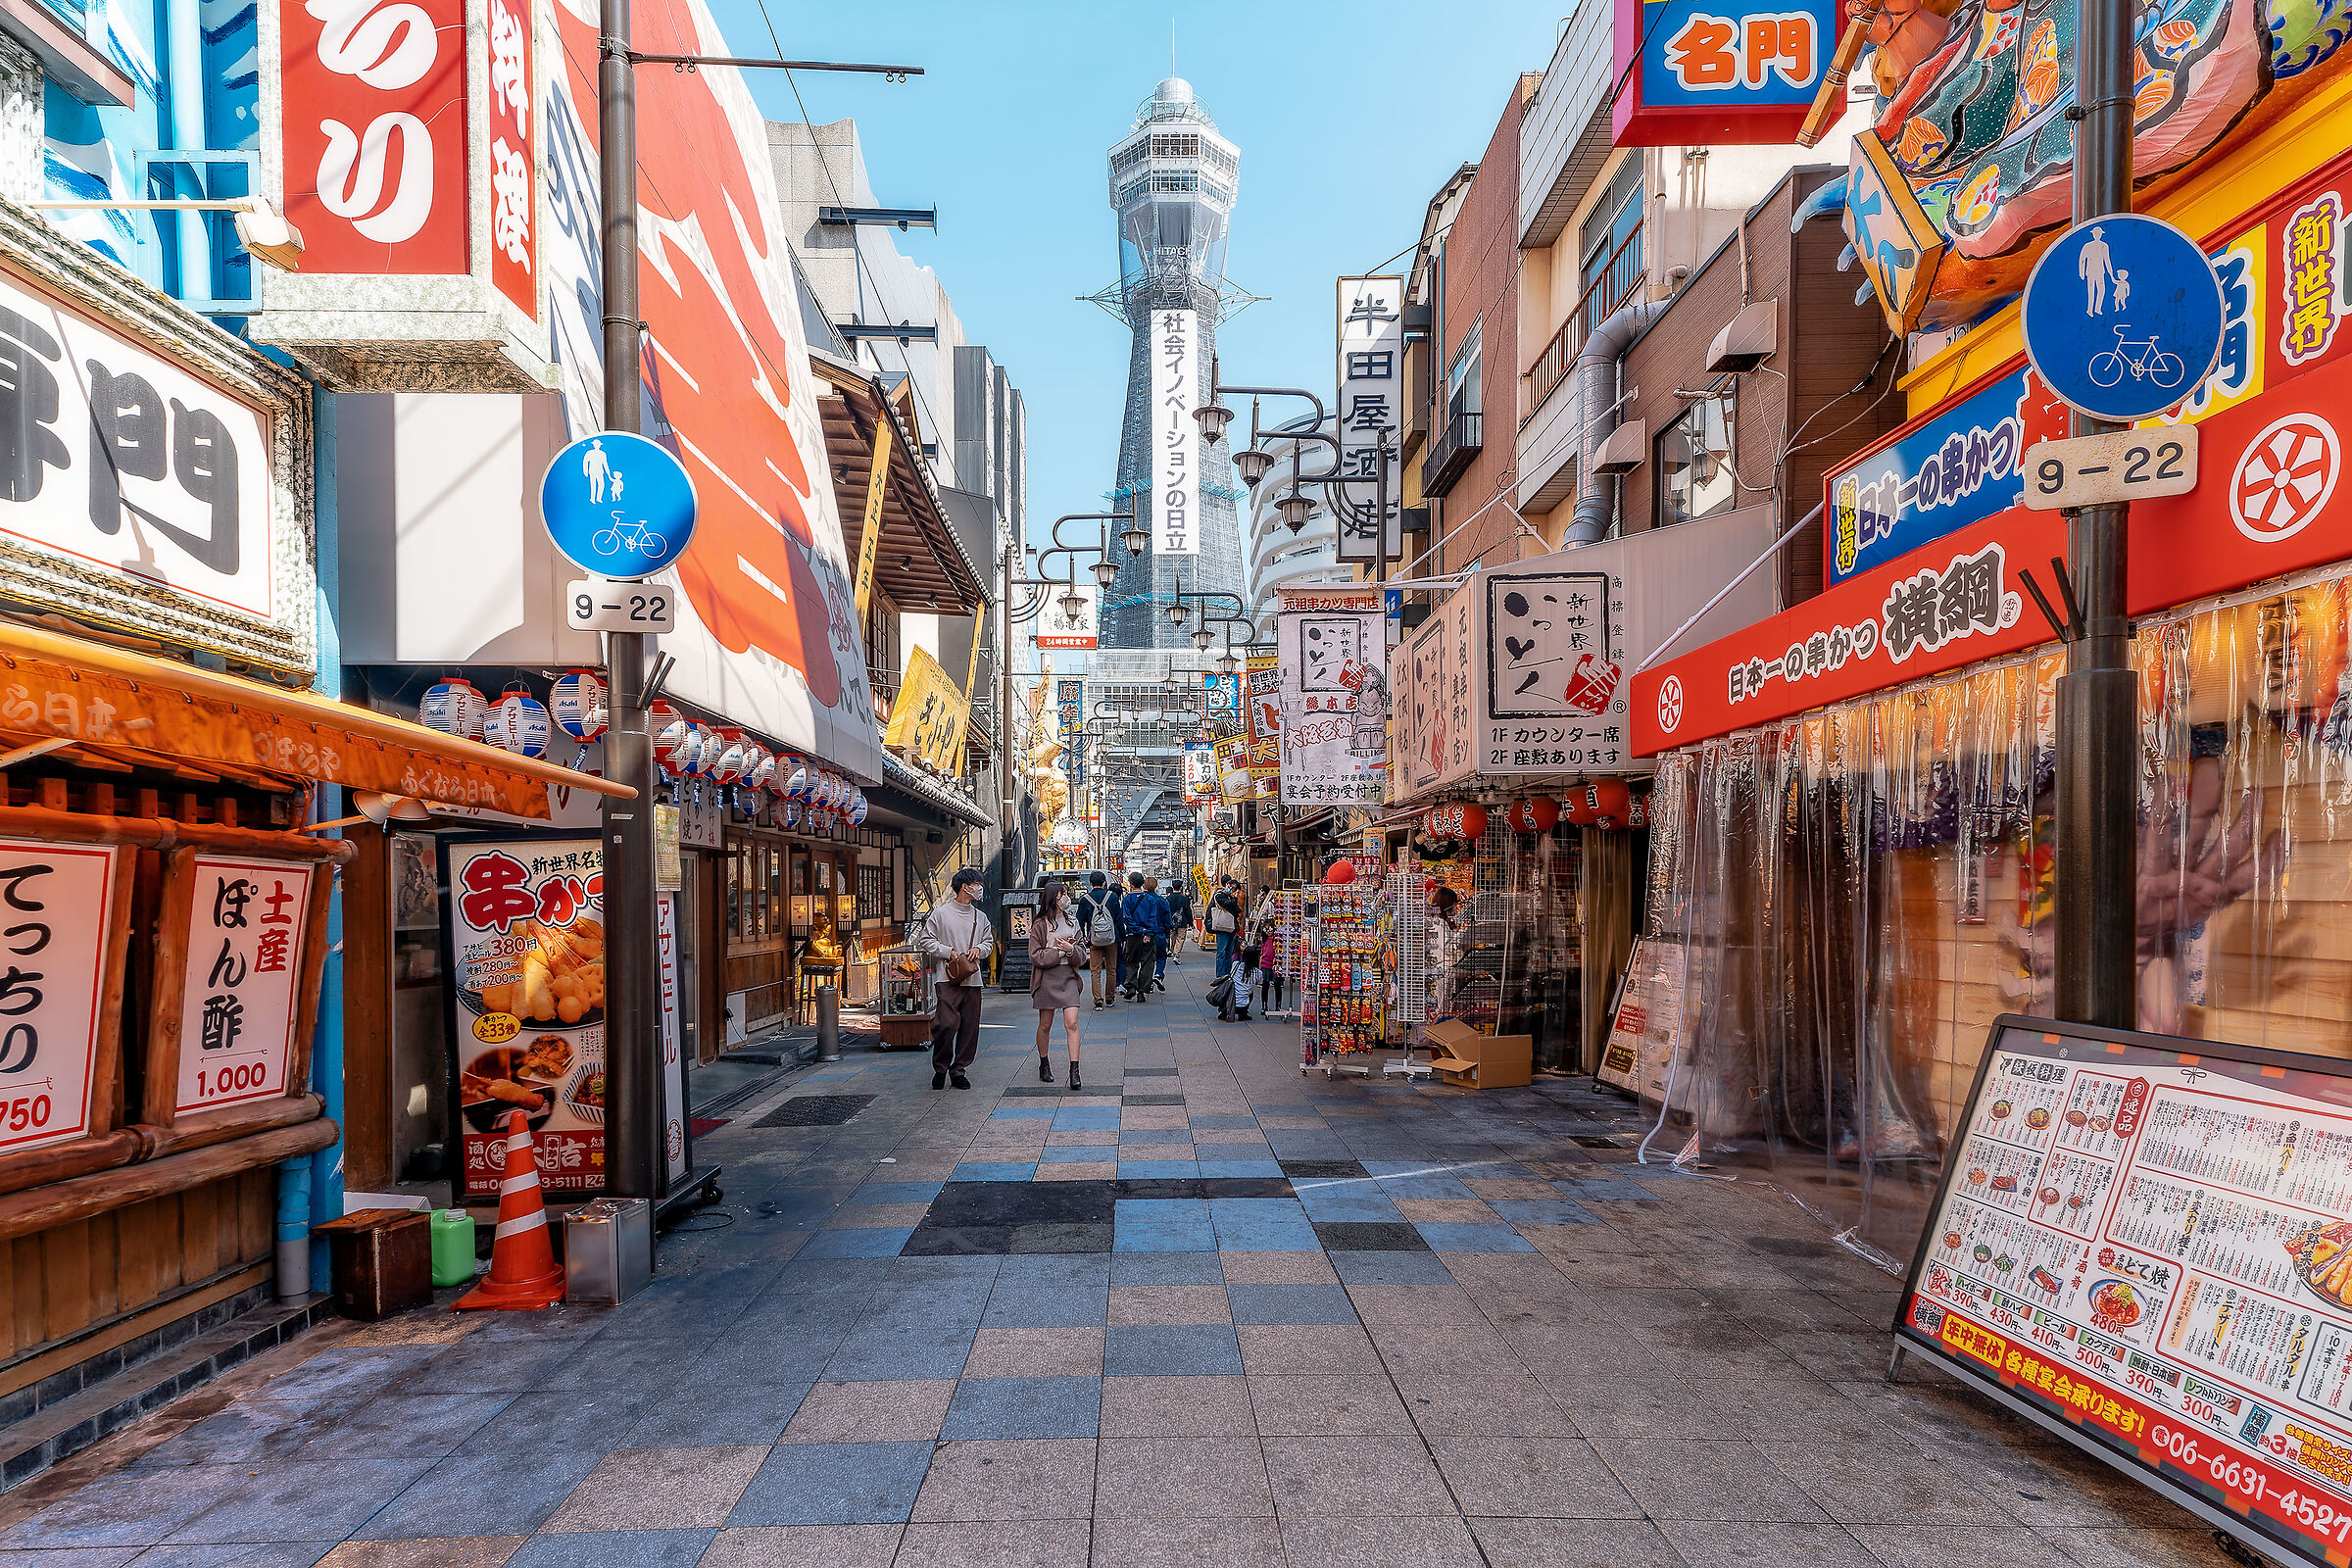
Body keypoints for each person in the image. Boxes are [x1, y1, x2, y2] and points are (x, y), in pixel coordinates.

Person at [920, 868, 993, 1090]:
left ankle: (959, 1069)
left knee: (970, 1027)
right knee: (946, 1024)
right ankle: (940, 1067)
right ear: (965, 886)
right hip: (947, 977)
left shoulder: (980, 917)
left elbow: (988, 942)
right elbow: (926, 939)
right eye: (977, 884)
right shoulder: (941, 914)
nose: (980, 888)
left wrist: (978, 949)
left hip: (973, 979)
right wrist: (947, 951)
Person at [1028, 879, 1085, 1090]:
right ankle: (1044, 1064)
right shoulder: (1040, 924)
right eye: (1062, 895)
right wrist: (1060, 951)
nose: (1066, 898)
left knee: (1072, 1023)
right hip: (1046, 977)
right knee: (1045, 1024)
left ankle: (1074, 1071)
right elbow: (1035, 955)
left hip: (1068, 976)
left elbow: (1082, 955)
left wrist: (1071, 950)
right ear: (1053, 898)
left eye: (1066, 893)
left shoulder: (1073, 922)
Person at [1076, 870, 1124, 1010]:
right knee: (1111, 969)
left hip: (1094, 939)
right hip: (1111, 939)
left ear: (1091, 883)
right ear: (1104, 883)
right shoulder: (1113, 897)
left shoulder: (1085, 899)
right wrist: (1122, 937)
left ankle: (1098, 1001)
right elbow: (1119, 919)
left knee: (1095, 971)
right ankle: (1110, 998)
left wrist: (1084, 937)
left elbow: (1080, 920)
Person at [1118, 872, 1162, 1001]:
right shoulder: (1150, 899)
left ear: (1131, 884)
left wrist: (1138, 930)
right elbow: (1153, 918)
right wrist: (1147, 932)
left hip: (1133, 935)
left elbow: (1127, 918)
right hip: (1148, 937)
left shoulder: (1127, 899)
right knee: (1147, 963)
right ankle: (1142, 992)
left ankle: (1131, 986)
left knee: (1131, 961)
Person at [1209, 876, 1245, 979]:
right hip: (1222, 927)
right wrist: (1234, 898)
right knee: (1221, 952)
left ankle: (1227, 974)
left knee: (1229, 952)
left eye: (1234, 888)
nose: (1231, 889)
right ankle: (1220, 975)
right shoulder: (1219, 895)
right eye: (1230, 886)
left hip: (1231, 927)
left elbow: (1237, 910)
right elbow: (1229, 904)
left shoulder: (1229, 896)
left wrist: (1232, 903)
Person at [1253, 922, 1285, 1015]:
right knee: (1265, 985)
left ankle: (1278, 1006)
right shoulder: (1264, 939)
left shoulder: (1278, 940)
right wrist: (1259, 966)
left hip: (1276, 964)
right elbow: (1262, 954)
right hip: (1265, 964)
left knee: (1277, 985)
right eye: (1266, 929)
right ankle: (1264, 1006)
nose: (1268, 931)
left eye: (1270, 929)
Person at [1165, 878, 1194, 964]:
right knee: (1180, 938)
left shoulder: (1168, 898)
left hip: (1171, 922)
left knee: (1173, 937)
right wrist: (1191, 923)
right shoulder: (1184, 898)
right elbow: (1188, 911)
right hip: (1182, 921)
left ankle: (1173, 951)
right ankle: (1176, 955)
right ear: (1181, 887)